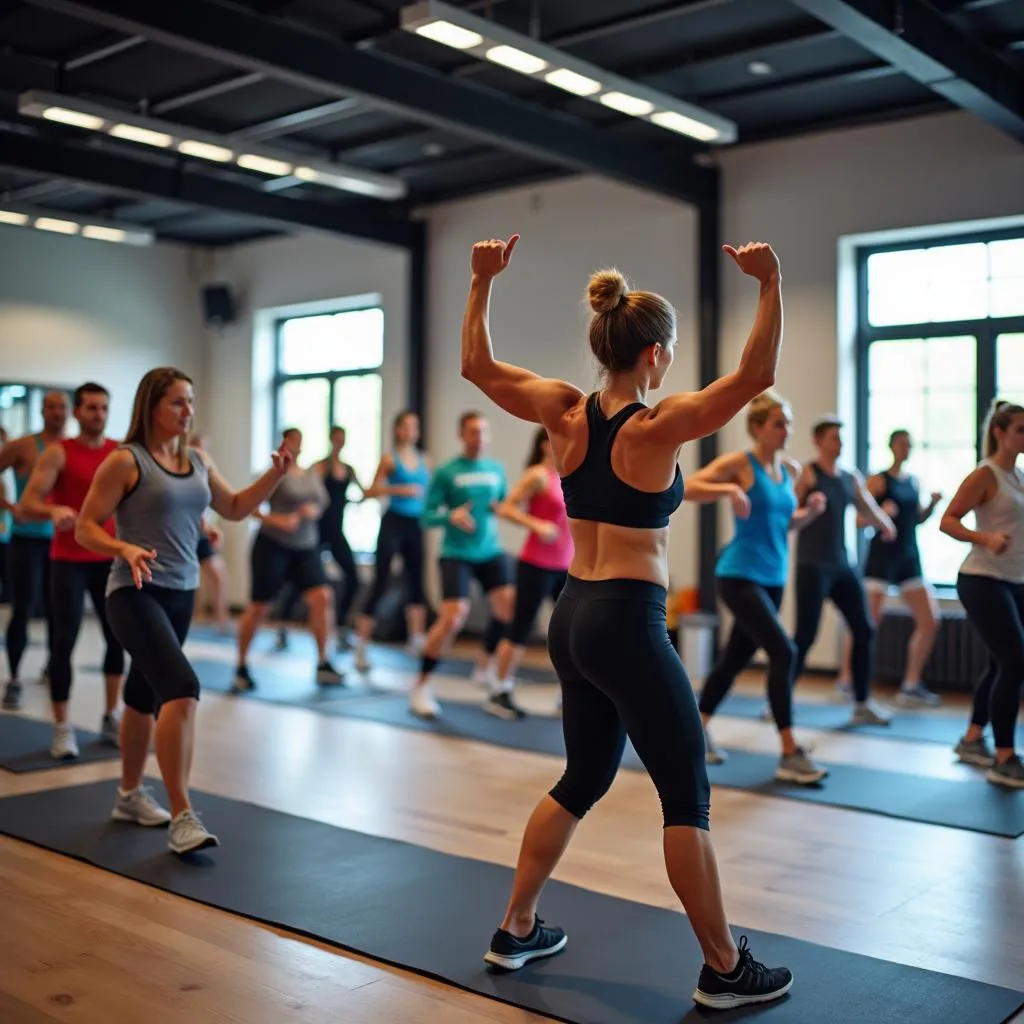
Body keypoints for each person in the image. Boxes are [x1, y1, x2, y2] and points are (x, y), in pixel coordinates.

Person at [460, 232, 792, 1009]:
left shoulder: (561, 411)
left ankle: (516, 926)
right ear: (652, 355)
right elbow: (758, 375)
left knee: (584, 776)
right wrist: (770, 283)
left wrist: (480, 283)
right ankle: (723, 967)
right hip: (630, 624)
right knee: (686, 798)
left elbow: (476, 366)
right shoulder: (657, 426)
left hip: (571, 615)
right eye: (668, 351)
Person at [76, 367, 294, 854]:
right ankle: (182, 814)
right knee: (181, 687)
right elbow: (85, 527)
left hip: (181, 592)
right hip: (134, 592)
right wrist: (123, 548)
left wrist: (274, 476)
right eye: (177, 402)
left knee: (141, 694)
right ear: (152, 405)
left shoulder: (197, 459)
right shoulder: (125, 461)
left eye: (191, 401)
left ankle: (129, 795)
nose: (188, 411)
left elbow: (235, 506)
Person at [683, 391, 828, 783]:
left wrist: (808, 514)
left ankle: (694, 730)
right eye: (780, 423)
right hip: (738, 575)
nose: (788, 430)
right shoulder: (740, 465)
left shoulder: (791, 471)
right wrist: (727, 490)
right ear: (758, 428)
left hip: (773, 578)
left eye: (789, 423)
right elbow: (687, 486)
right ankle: (788, 751)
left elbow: (785, 524)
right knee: (785, 651)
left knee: (734, 658)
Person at [19, 383, 124, 758]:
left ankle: (111, 715)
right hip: (68, 561)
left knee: (117, 639)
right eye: (91, 408)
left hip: (110, 558)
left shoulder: (120, 453)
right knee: (63, 640)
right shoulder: (59, 454)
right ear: (76, 412)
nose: (98, 414)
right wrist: (53, 511)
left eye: (104, 408)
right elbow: (28, 501)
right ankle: (62, 727)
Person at [940, 399, 1024, 788]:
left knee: (1000, 663)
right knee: (1014, 661)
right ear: (999, 432)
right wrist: (984, 537)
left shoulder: (1018, 476)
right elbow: (948, 520)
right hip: (982, 579)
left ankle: (973, 738)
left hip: (1014, 580)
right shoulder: (985, 474)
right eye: (1020, 430)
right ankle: (1004, 757)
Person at [410, 411, 516, 719]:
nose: (479, 437)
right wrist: (450, 516)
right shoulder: (446, 472)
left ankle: (484, 665)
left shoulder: (496, 470)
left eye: (483, 431)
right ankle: (421, 685)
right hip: (456, 552)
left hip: (489, 550)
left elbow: (503, 503)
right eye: (472, 431)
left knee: (508, 608)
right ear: (462, 435)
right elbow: (427, 516)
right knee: (453, 618)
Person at [791, 416, 896, 726]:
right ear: (818, 441)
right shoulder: (809, 474)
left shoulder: (851, 478)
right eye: (834, 437)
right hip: (812, 565)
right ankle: (780, 698)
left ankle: (862, 703)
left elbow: (867, 506)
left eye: (841, 437)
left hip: (843, 566)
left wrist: (884, 523)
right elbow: (789, 513)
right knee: (805, 636)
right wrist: (809, 508)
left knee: (863, 628)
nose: (840, 442)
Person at [834, 429, 943, 707]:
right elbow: (860, 520)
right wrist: (882, 515)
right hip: (881, 559)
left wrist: (931, 506)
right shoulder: (879, 481)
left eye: (910, 444)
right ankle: (847, 679)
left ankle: (910, 684)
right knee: (867, 623)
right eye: (902, 444)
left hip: (909, 557)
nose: (906, 449)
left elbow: (914, 520)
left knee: (930, 620)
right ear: (892, 446)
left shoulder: (913, 482)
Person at [232, 428, 344, 693]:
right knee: (259, 607)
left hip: (305, 546)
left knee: (322, 597)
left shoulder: (310, 474)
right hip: (273, 545)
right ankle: (241, 666)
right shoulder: (272, 475)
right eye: (290, 443)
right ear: (282, 445)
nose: (295, 448)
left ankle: (323, 661)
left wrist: (312, 510)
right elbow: (251, 508)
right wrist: (278, 520)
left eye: (298, 443)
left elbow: (322, 503)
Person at [486, 427, 573, 720]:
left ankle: (570, 694)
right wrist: (536, 525)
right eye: (554, 438)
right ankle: (500, 690)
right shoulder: (537, 475)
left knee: (569, 633)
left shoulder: (569, 473)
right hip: (536, 563)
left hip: (566, 565)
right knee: (520, 627)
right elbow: (505, 508)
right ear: (543, 445)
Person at [0, 390, 68, 710]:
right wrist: (9, 506)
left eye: (62, 407)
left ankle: (53, 669)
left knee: (59, 611)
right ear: (42, 410)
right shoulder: (23, 446)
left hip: (62, 542)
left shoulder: (72, 449)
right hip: (26, 541)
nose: (57, 412)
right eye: (51, 407)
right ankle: (13, 679)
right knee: (24, 608)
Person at [354, 411, 430, 671]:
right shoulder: (389, 458)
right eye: (405, 426)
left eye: (414, 426)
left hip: (415, 524)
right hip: (393, 522)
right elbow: (370, 491)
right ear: (397, 430)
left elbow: (429, 495)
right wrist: (397, 489)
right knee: (382, 581)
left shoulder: (424, 460)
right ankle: (361, 646)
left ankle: (416, 640)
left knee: (416, 582)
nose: (410, 431)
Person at [190, 435, 231, 632]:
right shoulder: (183, 470)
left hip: (204, 533)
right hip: (188, 533)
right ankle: (193, 616)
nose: (201, 452)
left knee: (218, 576)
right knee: (191, 579)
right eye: (198, 447)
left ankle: (221, 619)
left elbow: (228, 502)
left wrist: (211, 527)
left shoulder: (208, 472)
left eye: (204, 448)